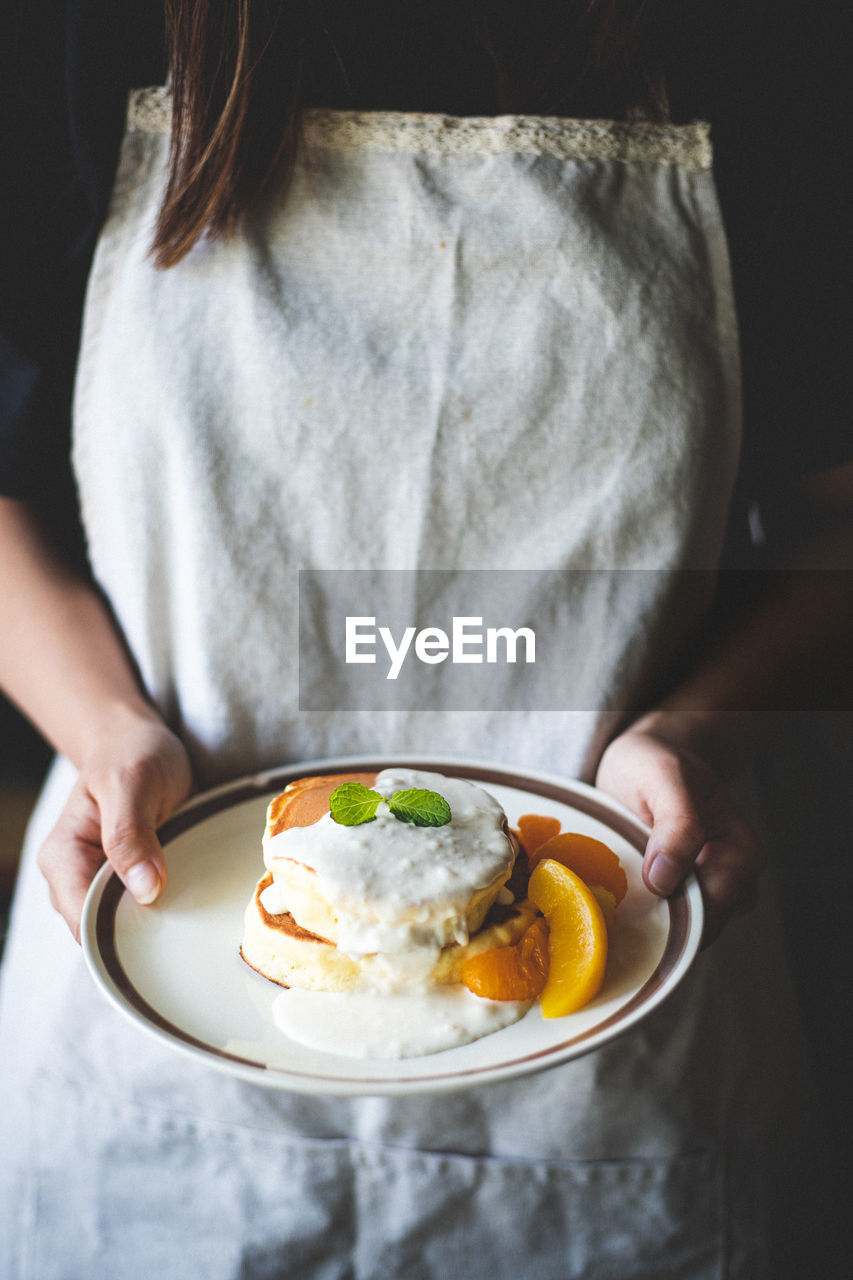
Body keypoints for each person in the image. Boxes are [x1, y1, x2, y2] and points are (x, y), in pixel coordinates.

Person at [1, 1, 850, 1276]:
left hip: (616, 1032)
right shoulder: (81, 30)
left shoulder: (766, 42)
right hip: (164, 1051)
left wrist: (691, 729)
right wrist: (106, 727)